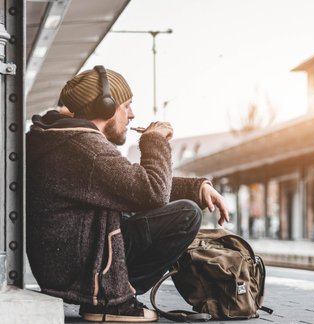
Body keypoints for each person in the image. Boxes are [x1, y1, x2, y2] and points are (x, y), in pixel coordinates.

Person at [26, 65, 229, 322]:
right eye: (127, 106)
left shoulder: (65, 139)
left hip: (68, 264)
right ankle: (112, 303)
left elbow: (127, 182)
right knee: (186, 214)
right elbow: (152, 192)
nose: (132, 115)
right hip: (83, 272)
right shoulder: (87, 148)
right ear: (106, 107)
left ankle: (111, 298)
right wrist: (154, 140)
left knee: (176, 205)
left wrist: (196, 187)